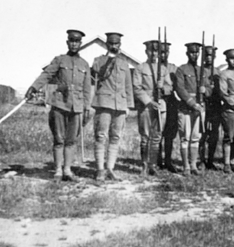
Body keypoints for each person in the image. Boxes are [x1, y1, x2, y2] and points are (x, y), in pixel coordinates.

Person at [25, 30, 91, 182]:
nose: (74, 44)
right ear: (67, 42)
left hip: (77, 107)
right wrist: (34, 87)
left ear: (81, 44)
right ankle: (58, 171)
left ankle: (67, 170)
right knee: (59, 139)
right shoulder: (60, 60)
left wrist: (86, 107)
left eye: (77, 41)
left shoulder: (84, 64)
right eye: (71, 41)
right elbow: (46, 75)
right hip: (60, 104)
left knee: (71, 140)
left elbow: (87, 88)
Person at [91, 32, 134, 182]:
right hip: (103, 104)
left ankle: (110, 168)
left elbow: (128, 86)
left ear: (120, 45)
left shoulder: (124, 64)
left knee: (115, 137)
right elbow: (98, 71)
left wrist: (128, 105)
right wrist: (109, 58)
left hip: (120, 105)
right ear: (107, 45)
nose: (114, 46)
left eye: (116, 44)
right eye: (111, 44)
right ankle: (100, 170)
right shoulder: (99, 60)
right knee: (101, 136)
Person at [133, 40, 172, 177]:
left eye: (156, 51)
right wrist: (149, 102)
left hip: (161, 105)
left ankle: (153, 165)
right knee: (145, 137)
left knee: (157, 137)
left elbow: (170, 87)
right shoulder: (140, 68)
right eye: (151, 50)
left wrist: (163, 88)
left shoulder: (164, 69)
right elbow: (137, 88)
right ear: (146, 51)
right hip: (146, 106)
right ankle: (144, 165)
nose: (154, 53)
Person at [174, 42, 212, 176]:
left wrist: (205, 91)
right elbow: (180, 89)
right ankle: (186, 167)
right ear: (187, 54)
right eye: (192, 53)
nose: (194, 55)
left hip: (200, 107)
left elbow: (210, 89)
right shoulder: (181, 70)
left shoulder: (204, 71)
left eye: (197, 53)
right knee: (185, 138)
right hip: (186, 108)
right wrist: (192, 103)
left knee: (196, 138)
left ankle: (193, 165)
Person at [199, 45, 223, 170]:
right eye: (206, 55)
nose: (209, 58)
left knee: (214, 134)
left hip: (216, 106)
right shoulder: (199, 71)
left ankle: (211, 160)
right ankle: (201, 160)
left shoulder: (218, 72)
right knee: (202, 133)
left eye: (211, 55)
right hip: (204, 105)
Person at [157, 41, 180, 173]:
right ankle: (158, 160)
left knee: (170, 134)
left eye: (166, 52)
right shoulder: (153, 68)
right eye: (161, 52)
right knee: (157, 132)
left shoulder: (173, 68)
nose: (163, 55)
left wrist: (166, 89)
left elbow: (176, 86)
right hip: (158, 102)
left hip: (171, 102)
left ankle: (169, 161)